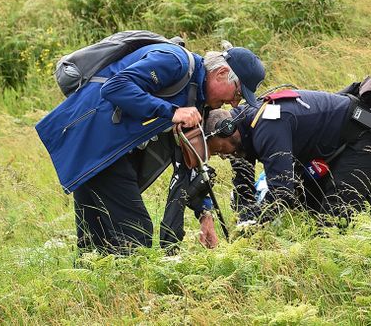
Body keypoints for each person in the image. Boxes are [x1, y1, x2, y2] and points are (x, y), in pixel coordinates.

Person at [35, 42, 265, 254]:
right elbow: (115, 87)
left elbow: (191, 158)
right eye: (237, 93)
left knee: (95, 242)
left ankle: (94, 294)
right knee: (136, 236)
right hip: (95, 145)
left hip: (105, 152)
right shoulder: (175, 61)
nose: (235, 103)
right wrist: (171, 112)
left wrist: (205, 213)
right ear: (222, 74)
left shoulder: (196, 98)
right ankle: (128, 293)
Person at [199, 87, 371, 227]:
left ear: (226, 129)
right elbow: (243, 182)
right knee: (306, 203)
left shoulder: (267, 126)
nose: (221, 156)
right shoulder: (243, 128)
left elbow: (282, 191)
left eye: (217, 149)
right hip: (334, 148)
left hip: (362, 139)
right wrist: (243, 217)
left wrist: (256, 218)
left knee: (334, 218)